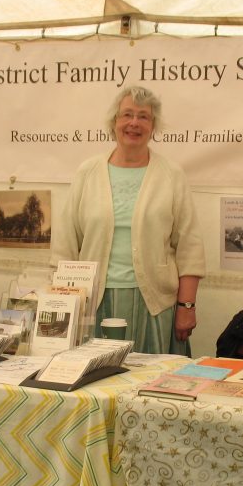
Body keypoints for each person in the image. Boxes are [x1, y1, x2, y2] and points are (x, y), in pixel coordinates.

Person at [52, 86, 206, 354]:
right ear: (114, 122)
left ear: (153, 126)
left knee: (151, 377)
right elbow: (65, 244)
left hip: (154, 306)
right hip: (92, 304)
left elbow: (189, 247)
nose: (134, 123)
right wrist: (61, 304)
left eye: (143, 116)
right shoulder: (87, 172)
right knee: (96, 377)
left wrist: (187, 306)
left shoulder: (171, 174)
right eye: (127, 115)